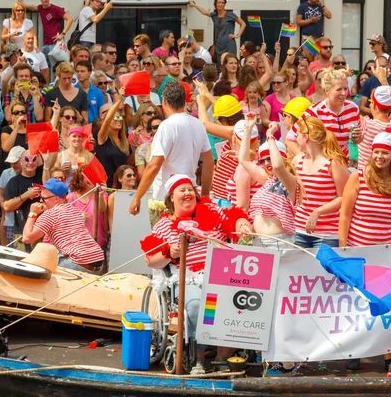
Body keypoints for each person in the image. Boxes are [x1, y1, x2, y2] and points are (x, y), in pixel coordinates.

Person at [140, 174, 250, 374]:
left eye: (190, 189)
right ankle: (196, 356)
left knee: (240, 301)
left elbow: (234, 216)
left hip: (224, 272)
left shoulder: (212, 212)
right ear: (171, 197)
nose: (187, 193)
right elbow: (151, 260)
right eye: (182, 190)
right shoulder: (164, 226)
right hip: (190, 276)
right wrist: (170, 252)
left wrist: (241, 222)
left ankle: (223, 357)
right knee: (198, 304)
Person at [339, 132, 391, 374]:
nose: (380, 156)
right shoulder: (358, 176)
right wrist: (343, 246)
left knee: (388, 305)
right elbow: (346, 213)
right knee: (358, 304)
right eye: (377, 151)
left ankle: (389, 355)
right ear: (371, 153)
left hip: (388, 254)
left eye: (385, 152)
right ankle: (357, 352)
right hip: (359, 251)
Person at [129, 81, 214, 214]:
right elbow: (209, 163)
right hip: (189, 194)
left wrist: (137, 197)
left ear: (164, 102)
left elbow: (153, 166)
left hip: (167, 198)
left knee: (164, 234)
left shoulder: (166, 126)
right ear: (184, 101)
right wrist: (205, 195)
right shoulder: (198, 124)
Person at [22, 178, 105, 273]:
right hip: (98, 261)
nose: (41, 201)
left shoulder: (50, 214)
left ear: (56, 198)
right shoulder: (74, 210)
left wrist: (32, 213)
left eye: (44, 198)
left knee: (39, 266)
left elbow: (27, 238)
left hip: (79, 262)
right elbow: (85, 219)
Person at [292, 116, 348, 248]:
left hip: (327, 234)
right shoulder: (298, 160)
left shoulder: (334, 163)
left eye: (297, 135)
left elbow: (343, 197)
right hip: (300, 230)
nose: (295, 139)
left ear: (306, 137)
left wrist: (318, 211)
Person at [239, 119, 296, 249]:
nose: (266, 163)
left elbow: (278, 166)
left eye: (269, 158)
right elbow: (243, 160)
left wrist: (270, 135)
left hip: (278, 243)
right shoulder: (268, 179)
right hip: (259, 241)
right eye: (263, 160)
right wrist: (248, 128)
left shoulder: (290, 182)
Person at [286, 67, 360, 155]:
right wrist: (301, 159)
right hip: (322, 164)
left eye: (345, 88)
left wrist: (358, 137)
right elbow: (290, 138)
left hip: (344, 163)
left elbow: (357, 140)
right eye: (339, 89)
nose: (344, 93)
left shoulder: (353, 108)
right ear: (327, 91)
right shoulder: (314, 111)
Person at [353, 85, 391, 169]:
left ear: (374, 106)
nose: (369, 105)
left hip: (365, 176)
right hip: (387, 177)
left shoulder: (365, 124)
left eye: (371, 102)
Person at [95, 88, 132, 186]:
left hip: (122, 187)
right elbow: (107, 120)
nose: (118, 120)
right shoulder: (103, 138)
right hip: (106, 186)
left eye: (119, 117)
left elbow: (129, 164)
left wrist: (135, 146)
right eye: (114, 117)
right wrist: (119, 100)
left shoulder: (124, 141)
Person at [23, 0, 73, 66]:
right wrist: (22, 5)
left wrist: (62, 34)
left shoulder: (56, 9)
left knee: (60, 67)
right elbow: (32, 7)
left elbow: (70, 19)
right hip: (46, 44)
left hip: (56, 45)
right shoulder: (41, 8)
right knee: (44, 67)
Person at [66, 167, 108, 247]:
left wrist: (101, 194)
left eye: (93, 176)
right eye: (87, 176)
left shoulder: (101, 195)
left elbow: (101, 209)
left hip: (98, 245)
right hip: (76, 245)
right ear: (80, 178)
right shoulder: (71, 197)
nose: (91, 179)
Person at [0, 145, 25, 247]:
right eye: (11, 163)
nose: (13, 165)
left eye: (15, 162)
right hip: (10, 220)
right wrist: (5, 205)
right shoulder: (6, 173)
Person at [107, 165, 137, 234]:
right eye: (129, 175)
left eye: (134, 175)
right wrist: (114, 237)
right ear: (120, 179)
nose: (132, 177)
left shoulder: (139, 194)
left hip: (136, 230)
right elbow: (111, 219)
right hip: (120, 232)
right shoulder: (113, 197)